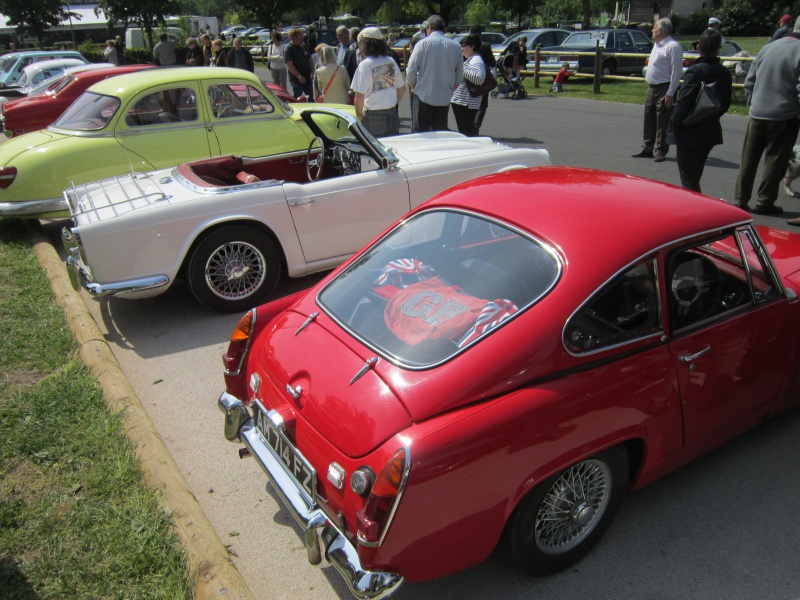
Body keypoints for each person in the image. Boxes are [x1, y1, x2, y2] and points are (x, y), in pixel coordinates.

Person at [733, 17, 800, 216]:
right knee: (775, 159)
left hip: (758, 111)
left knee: (749, 158)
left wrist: (752, 103)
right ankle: (765, 201)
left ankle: (740, 199)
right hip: (784, 114)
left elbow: (750, 79)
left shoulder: (769, 47)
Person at [666, 29, 732, 193]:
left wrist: (673, 125)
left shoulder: (696, 71)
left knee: (688, 179)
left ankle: (695, 210)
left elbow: (684, 102)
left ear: (698, 47)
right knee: (695, 175)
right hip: (710, 130)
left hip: (690, 131)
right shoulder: (724, 72)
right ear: (718, 49)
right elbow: (725, 104)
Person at [632, 18, 682, 162]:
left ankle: (660, 150)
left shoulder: (673, 46)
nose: (652, 30)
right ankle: (647, 147)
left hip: (664, 87)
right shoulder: (657, 45)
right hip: (652, 87)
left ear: (660, 31)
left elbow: (676, 71)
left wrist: (670, 92)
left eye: (654, 28)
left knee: (663, 121)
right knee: (649, 118)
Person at [404, 15, 463, 132]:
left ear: (429, 27)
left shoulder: (422, 44)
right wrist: (451, 88)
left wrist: (413, 86)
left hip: (423, 95)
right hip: (444, 97)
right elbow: (459, 75)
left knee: (421, 133)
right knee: (440, 133)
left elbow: (411, 69)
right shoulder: (456, 46)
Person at [352, 27, 405, 137]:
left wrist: (359, 115)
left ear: (365, 45)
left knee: (374, 151)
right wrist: (393, 103)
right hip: (392, 115)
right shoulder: (390, 61)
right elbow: (401, 89)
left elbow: (359, 96)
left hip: (373, 116)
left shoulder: (365, 65)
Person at [450, 35, 485, 137]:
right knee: (464, 131)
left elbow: (479, 79)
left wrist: (461, 68)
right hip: (462, 102)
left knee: (467, 132)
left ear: (472, 46)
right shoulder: (470, 59)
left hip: (466, 103)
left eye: (464, 46)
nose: (462, 49)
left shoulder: (476, 60)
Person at [471, 24, 496, 133]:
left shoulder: (464, 44)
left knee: (469, 102)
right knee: (482, 104)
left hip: (468, 76)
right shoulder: (485, 46)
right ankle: (476, 125)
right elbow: (492, 62)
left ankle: (469, 125)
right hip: (482, 77)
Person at [285, 27, 314, 99]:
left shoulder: (304, 46)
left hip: (307, 76)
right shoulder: (289, 48)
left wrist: (313, 72)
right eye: (300, 36)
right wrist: (299, 76)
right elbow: (290, 65)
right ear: (293, 37)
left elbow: (310, 59)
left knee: (310, 98)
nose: (302, 38)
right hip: (297, 79)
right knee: (298, 98)